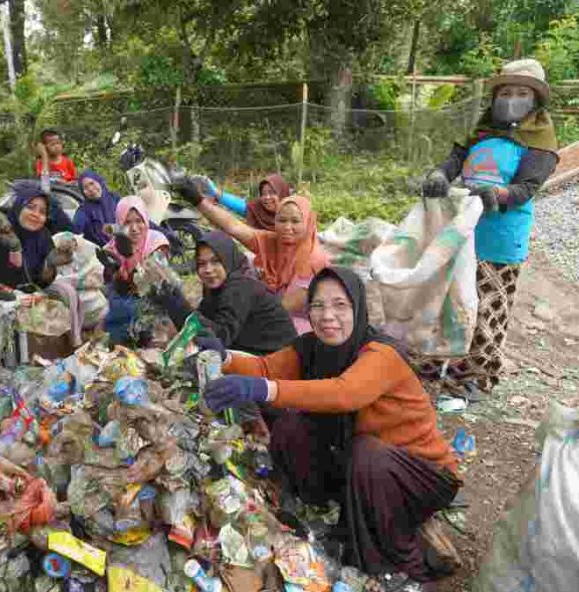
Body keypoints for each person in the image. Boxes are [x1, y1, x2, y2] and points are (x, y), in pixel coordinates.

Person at [200, 267, 460, 585]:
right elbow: (265, 366)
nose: (327, 316)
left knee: (368, 453)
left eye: (340, 305)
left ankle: (392, 563)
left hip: (422, 474)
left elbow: (344, 393)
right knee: (293, 425)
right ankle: (319, 510)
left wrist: (263, 389)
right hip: (360, 466)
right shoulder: (312, 346)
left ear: (357, 308)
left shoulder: (382, 354)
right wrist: (223, 358)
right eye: (318, 305)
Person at [418, 58, 558, 396]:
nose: (511, 98)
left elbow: (527, 188)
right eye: (505, 92)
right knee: (452, 300)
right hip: (462, 232)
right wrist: (440, 174)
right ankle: (440, 363)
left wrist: (498, 193)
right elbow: (454, 159)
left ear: (535, 100)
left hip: (500, 239)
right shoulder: (482, 131)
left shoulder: (540, 141)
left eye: (521, 92)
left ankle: (478, 376)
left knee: (488, 307)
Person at [175, 179, 328, 334]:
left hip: (297, 323)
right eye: (282, 220)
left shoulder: (314, 260)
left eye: (295, 221)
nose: (287, 227)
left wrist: (241, 312)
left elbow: (284, 307)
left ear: (308, 223)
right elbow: (234, 227)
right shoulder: (273, 241)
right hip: (267, 307)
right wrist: (198, 201)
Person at [150, 230, 297, 355]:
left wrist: (177, 303)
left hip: (276, 360)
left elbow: (219, 337)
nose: (208, 270)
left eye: (215, 261)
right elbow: (200, 320)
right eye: (202, 264)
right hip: (252, 352)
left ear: (227, 259)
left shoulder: (239, 288)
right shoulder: (217, 287)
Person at [0, 185, 63, 298]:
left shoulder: (43, 235)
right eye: (30, 207)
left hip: (29, 295)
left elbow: (40, 283)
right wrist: (13, 248)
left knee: (66, 293)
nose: (36, 214)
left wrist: (49, 269)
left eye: (42, 212)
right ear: (18, 207)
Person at [100, 195, 170, 344]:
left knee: (128, 311)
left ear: (146, 220)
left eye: (139, 221)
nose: (134, 228)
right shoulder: (115, 244)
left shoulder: (156, 242)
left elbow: (152, 283)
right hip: (124, 294)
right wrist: (113, 271)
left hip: (151, 296)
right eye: (127, 222)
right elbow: (109, 279)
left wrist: (129, 262)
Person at [72, 170, 121, 246]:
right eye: (85, 187)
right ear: (83, 192)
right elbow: (75, 231)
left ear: (99, 182)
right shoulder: (83, 210)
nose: (90, 189)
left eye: (92, 183)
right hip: (104, 253)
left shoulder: (115, 198)